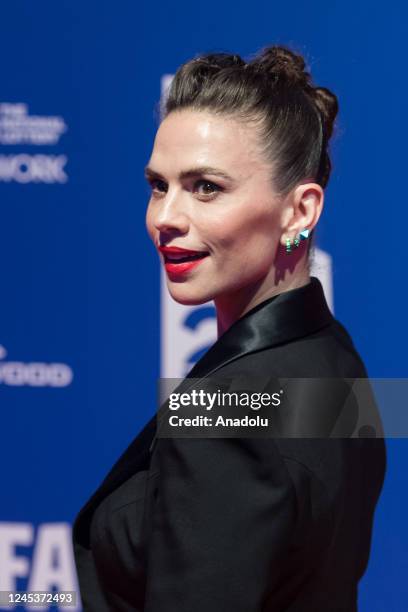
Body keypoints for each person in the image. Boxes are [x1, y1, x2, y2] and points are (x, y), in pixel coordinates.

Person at [72, 44, 386, 611]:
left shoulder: (222, 413)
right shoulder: (336, 358)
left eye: (206, 187)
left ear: (300, 210)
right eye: (158, 185)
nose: (164, 218)